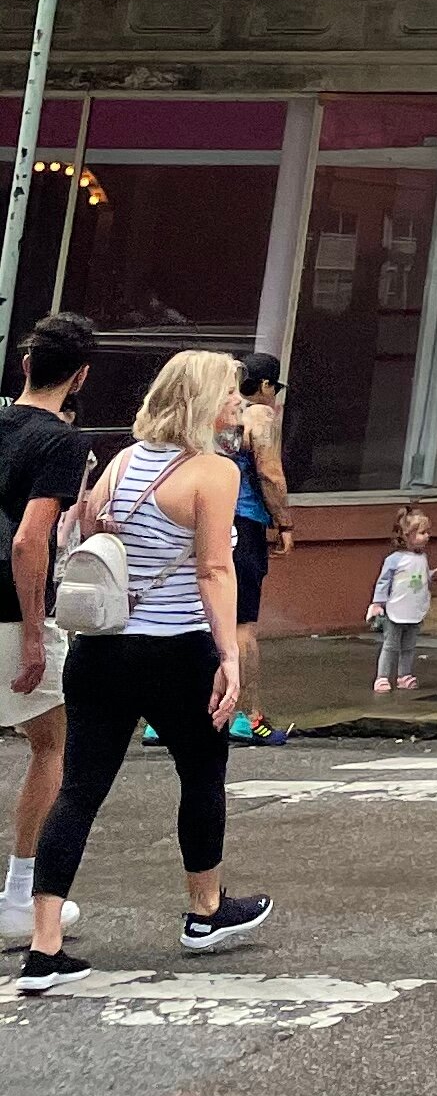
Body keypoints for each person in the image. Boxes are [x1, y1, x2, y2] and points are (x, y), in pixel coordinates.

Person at [24, 345, 270, 989]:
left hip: (102, 648)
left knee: (80, 788)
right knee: (201, 772)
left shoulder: (125, 461)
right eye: (230, 394)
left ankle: (44, 946)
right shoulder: (213, 473)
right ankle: (205, 911)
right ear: (202, 402)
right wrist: (229, 657)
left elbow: (85, 529)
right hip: (176, 647)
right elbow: (215, 569)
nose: (238, 405)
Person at [0, 318, 96, 950]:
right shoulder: (60, 441)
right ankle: (18, 893)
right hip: (8, 605)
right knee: (50, 741)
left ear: (27, 361)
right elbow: (30, 539)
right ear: (80, 376)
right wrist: (36, 631)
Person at [217, 352, 293, 745]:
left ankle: (162, 720)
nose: (274, 396)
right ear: (264, 386)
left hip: (205, 522)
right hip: (244, 523)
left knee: (198, 620)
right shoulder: (259, 414)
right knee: (242, 625)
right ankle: (247, 718)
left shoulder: (211, 412)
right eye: (274, 388)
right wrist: (284, 522)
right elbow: (268, 471)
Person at [366, 506, 432, 693]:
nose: (427, 536)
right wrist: (378, 603)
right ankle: (382, 677)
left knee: (409, 645)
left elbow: (421, 577)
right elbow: (383, 581)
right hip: (395, 609)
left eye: (428, 532)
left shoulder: (423, 558)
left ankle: (404, 675)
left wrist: (432, 575)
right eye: (422, 532)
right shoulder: (395, 559)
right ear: (407, 535)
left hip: (414, 609)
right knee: (391, 645)